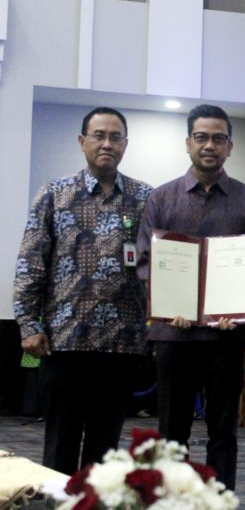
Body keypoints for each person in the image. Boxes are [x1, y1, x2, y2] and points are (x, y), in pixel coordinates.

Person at [13, 107, 152, 474]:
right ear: (82, 141)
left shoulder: (145, 198)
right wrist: (28, 325)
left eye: (115, 137)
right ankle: (59, 501)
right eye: (98, 135)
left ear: (125, 145)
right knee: (61, 442)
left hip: (122, 342)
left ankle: (96, 501)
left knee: (105, 450)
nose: (107, 144)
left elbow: (160, 264)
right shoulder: (54, 194)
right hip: (64, 341)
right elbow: (30, 261)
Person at [136, 104, 245, 491]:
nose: (210, 145)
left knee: (223, 431)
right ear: (188, 143)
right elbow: (145, 262)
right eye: (202, 137)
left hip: (226, 336)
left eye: (218, 138)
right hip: (174, 335)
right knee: (171, 431)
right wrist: (168, 306)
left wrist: (239, 310)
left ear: (230, 146)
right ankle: (171, 500)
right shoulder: (161, 199)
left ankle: (220, 499)